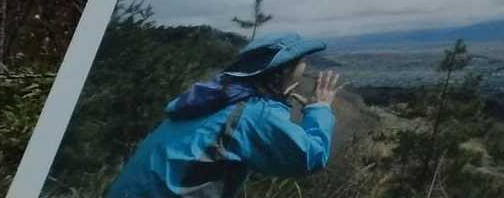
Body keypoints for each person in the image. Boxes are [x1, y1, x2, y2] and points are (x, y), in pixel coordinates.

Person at [106, 31, 342, 197]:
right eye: (301, 61)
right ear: (282, 70)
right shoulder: (251, 113)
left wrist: (276, 101)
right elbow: (309, 158)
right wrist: (320, 108)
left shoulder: (214, 96)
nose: (305, 68)